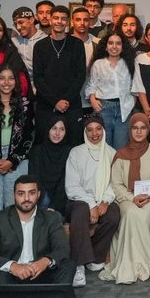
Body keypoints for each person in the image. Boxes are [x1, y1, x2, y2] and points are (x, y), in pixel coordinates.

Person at [101, 113, 150, 284]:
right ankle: (128, 265)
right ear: (130, 130)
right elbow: (116, 185)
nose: (138, 132)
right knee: (131, 214)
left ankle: (146, 261)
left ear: (148, 130)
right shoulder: (120, 154)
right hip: (127, 199)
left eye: (143, 128)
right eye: (135, 128)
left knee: (143, 215)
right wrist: (133, 197)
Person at [0, 175, 72, 285]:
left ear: (38, 194)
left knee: (68, 265)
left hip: (40, 273)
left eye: (31, 193)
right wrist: (12, 266)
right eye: (21, 194)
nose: (26, 198)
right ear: (14, 196)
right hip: (11, 275)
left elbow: (63, 249)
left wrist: (45, 261)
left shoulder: (51, 217)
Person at [63, 116, 120, 287]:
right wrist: (91, 204)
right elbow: (72, 186)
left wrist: (105, 201)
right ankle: (78, 265)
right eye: (90, 129)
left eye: (98, 129)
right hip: (79, 200)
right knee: (80, 212)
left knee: (114, 214)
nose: (94, 133)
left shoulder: (112, 153)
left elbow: (115, 182)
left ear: (103, 131)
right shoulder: (76, 152)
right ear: (84, 132)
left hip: (103, 200)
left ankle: (96, 256)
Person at [0, 63, 34, 222]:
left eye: (11, 78)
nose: (6, 82)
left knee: (16, 209)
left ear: (16, 81)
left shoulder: (25, 105)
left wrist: (12, 160)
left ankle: (15, 246)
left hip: (18, 159)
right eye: (2, 78)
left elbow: (29, 135)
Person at [31, 6, 87, 143]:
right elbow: (38, 78)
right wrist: (55, 101)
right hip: (46, 105)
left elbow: (80, 76)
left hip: (71, 104)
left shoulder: (77, 44)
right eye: (56, 18)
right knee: (44, 144)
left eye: (63, 19)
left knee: (73, 145)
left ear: (68, 22)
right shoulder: (40, 46)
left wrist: (65, 100)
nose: (59, 21)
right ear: (50, 20)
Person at [86, 31, 137, 149]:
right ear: (106, 46)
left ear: (122, 47)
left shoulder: (129, 63)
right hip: (104, 108)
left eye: (118, 43)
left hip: (124, 109)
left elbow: (135, 86)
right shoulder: (98, 64)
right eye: (111, 43)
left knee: (121, 148)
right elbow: (91, 85)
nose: (114, 46)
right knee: (105, 147)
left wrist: (133, 101)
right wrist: (93, 100)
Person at [28, 117, 70, 211]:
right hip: (40, 196)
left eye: (62, 129)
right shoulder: (37, 150)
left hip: (61, 198)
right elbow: (34, 178)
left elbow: (65, 181)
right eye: (54, 128)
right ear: (48, 130)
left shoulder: (69, 152)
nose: (57, 133)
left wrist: (54, 205)